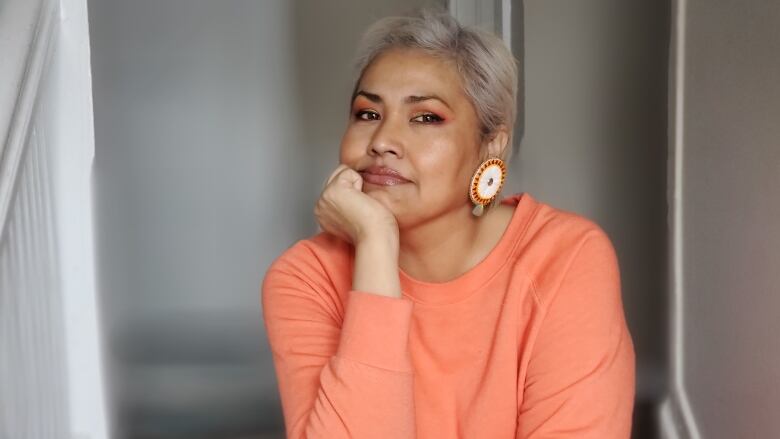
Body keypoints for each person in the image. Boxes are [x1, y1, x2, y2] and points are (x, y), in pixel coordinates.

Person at [261, 7, 635, 439]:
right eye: (367, 113)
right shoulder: (306, 279)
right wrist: (378, 243)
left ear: (489, 145)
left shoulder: (565, 259)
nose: (383, 141)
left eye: (426, 118)